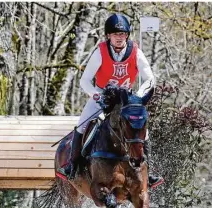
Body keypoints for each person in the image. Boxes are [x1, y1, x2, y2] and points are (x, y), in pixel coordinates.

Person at [58, 13, 164, 188]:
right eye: (116, 35)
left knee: (143, 132)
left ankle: (149, 173)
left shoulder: (135, 51)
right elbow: (84, 81)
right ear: (108, 35)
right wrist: (96, 95)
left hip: (125, 99)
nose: (119, 38)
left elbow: (150, 79)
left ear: (127, 35)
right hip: (102, 96)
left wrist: (137, 95)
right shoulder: (100, 52)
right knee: (82, 126)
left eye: (123, 34)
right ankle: (72, 166)